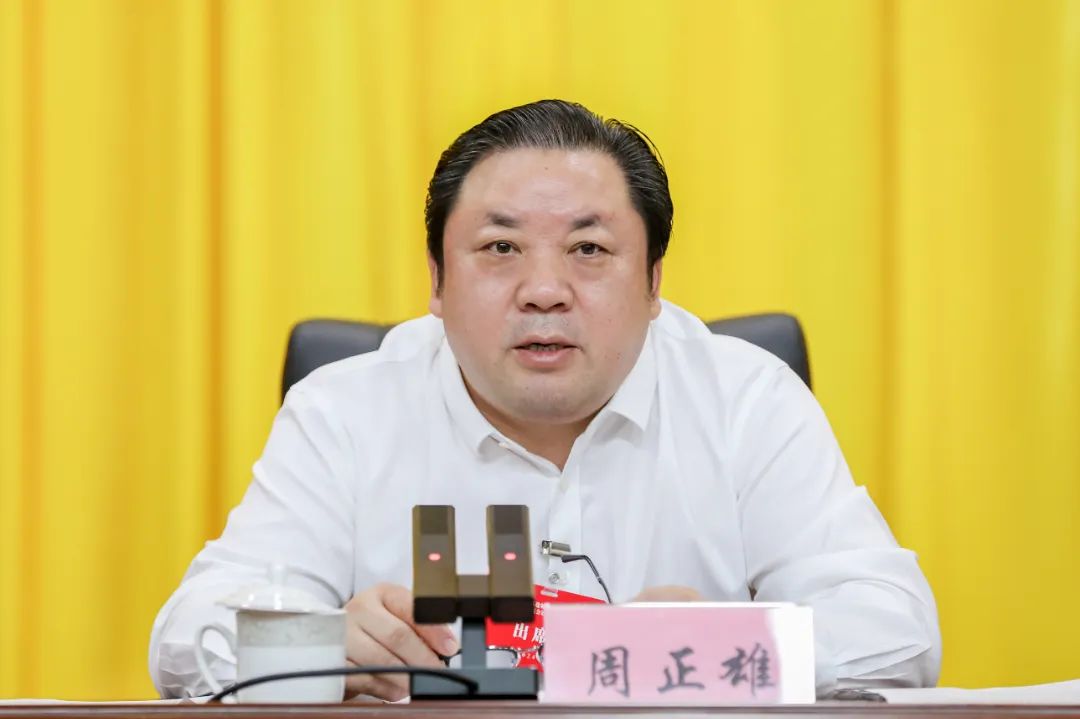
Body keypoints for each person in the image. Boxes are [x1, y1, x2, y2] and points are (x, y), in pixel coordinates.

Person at [149, 99, 941, 700]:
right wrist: (322, 646)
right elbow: (188, 637)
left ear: (654, 283)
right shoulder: (345, 411)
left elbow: (896, 631)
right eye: (500, 248)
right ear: (436, 280)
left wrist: (691, 648)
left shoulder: (745, 400)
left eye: (589, 249)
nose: (544, 290)